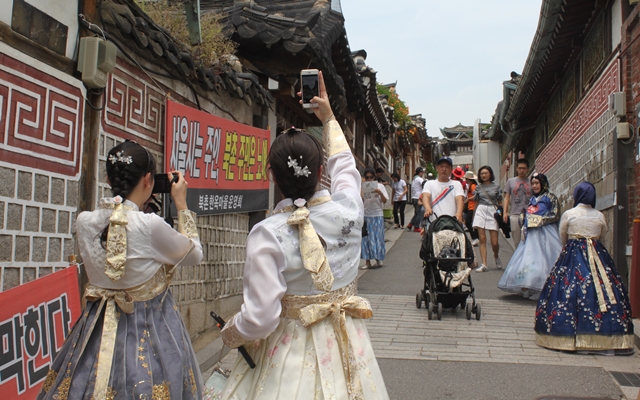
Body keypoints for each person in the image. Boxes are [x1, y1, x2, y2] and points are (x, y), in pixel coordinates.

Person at [217, 71, 389, 399]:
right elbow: (345, 168)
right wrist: (327, 117)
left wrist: (231, 333)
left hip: (287, 353)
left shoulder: (267, 234)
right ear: (320, 172)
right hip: (347, 342)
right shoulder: (349, 210)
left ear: (271, 175)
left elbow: (261, 317)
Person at [38, 141, 204, 399]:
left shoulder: (84, 221)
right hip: (150, 332)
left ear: (108, 178)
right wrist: (181, 204)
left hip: (94, 329)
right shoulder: (150, 225)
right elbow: (194, 254)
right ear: (148, 179)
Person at [534, 182, 635, 354]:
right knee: (603, 289)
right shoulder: (599, 215)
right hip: (598, 253)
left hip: (572, 254)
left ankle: (564, 334)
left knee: (568, 290)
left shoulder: (569, 214)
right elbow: (602, 235)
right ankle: (605, 334)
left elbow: (563, 236)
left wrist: (569, 251)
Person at [498, 173, 562, 299]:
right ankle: (528, 286)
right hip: (531, 234)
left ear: (543, 183)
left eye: (537, 183)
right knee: (529, 259)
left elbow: (556, 215)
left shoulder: (551, 197)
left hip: (546, 234)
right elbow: (527, 212)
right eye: (533, 183)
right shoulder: (532, 199)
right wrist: (523, 218)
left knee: (546, 259)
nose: (535, 186)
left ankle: (545, 288)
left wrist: (541, 220)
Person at [472, 166, 503, 272]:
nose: (484, 175)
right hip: (481, 210)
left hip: (492, 211)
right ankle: (484, 264)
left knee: (494, 242)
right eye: (482, 174)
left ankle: (496, 255)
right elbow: (476, 201)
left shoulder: (496, 187)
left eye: (486, 173)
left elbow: (500, 202)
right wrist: (474, 215)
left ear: (490, 174)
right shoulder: (478, 188)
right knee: (482, 239)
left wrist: (501, 213)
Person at [421, 156, 464, 225]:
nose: (444, 169)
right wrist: (427, 208)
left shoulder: (456, 184)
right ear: (437, 168)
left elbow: (460, 199)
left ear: (451, 170)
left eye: (447, 167)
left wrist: (459, 214)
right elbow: (425, 196)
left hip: (452, 222)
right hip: (434, 223)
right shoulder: (429, 184)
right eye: (441, 166)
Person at [361, 167, 388, 269]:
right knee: (366, 239)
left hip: (377, 214)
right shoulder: (362, 187)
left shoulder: (380, 186)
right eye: (367, 178)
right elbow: (360, 199)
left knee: (377, 237)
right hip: (366, 214)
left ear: (374, 177)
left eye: (371, 177)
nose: (369, 180)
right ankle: (367, 262)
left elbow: (385, 201)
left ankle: (378, 259)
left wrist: (380, 193)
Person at [503, 158, 532, 245]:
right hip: (515, 214)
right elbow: (506, 197)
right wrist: (505, 212)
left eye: (524, 168)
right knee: (517, 241)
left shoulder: (532, 181)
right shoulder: (510, 181)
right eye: (520, 168)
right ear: (516, 169)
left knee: (529, 240)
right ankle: (518, 257)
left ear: (527, 169)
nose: (522, 170)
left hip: (529, 214)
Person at [407, 166, 425, 232]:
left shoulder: (414, 179)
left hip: (414, 197)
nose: (423, 173)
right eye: (422, 172)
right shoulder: (419, 179)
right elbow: (424, 185)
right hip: (418, 198)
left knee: (417, 213)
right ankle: (416, 227)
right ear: (420, 172)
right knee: (419, 213)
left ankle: (410, 224)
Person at [464, 170, 479, 247]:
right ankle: (476, 237)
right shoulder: (470, 185)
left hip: (473, 207)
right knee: (472, 223)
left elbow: (476, 196)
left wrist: (468, 199)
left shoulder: (473, 186)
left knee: (468, 222)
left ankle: (475, 237)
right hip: (470, 206)